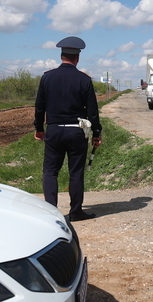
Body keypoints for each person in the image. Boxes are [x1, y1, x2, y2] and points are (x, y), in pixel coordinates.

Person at [34, 36, 102, 221]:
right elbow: (93, 111)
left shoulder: (47, 78)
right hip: (76, 131)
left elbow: (40, 106)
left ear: (61, 56)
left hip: (54, 130)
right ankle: (76, 212)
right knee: (76, 172)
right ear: (77, 58)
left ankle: (51, 213)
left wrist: (39, 128)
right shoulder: (84, 80)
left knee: (50, 171)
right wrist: (96, 133)